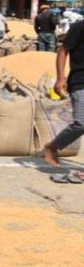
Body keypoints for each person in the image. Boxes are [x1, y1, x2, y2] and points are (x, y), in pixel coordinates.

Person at [43, 20, 84, 175]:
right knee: (82, 123)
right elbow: (62, 51)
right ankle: (53, 146)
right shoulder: (80, 26)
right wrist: (61, 78)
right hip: (80, 81)